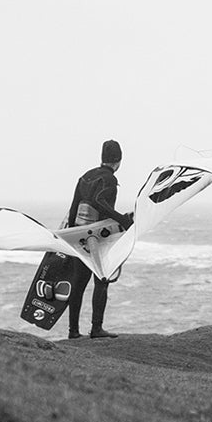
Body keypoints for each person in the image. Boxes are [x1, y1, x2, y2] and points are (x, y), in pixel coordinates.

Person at [65, 139, 134, 339]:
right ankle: (96, 328)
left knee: (79, 282)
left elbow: (73, 207)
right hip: (97, 238)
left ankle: (73, 331)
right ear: (119, 160)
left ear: (102, 158)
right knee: (102, 279)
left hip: (79, 233)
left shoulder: (85, 177)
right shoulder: (109, 180)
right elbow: (100, 202)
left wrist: (71, 236)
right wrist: (122, 220)